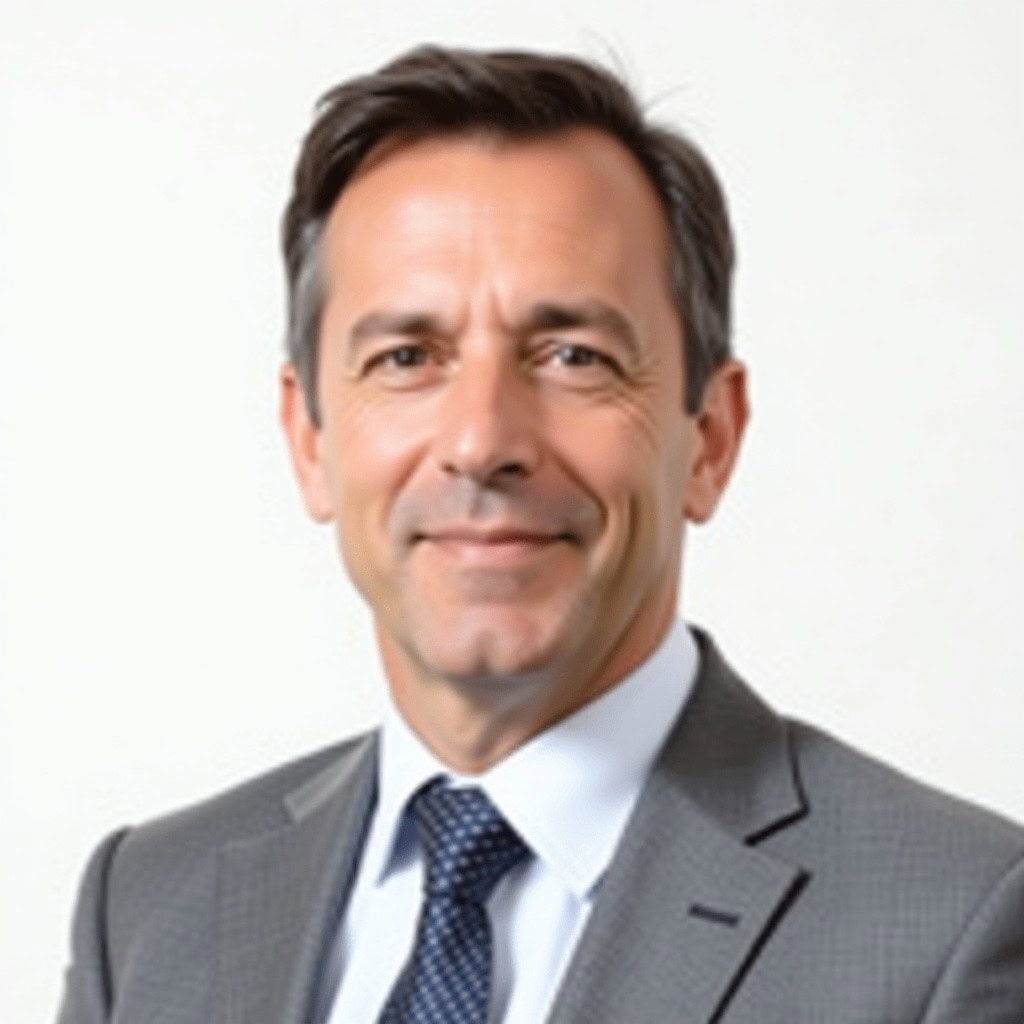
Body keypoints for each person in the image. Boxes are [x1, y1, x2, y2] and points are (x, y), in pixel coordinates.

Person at [56, 45, 1024, 1024]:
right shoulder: (144, 909)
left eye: (573, 356)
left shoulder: (956, 923)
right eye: (406, 356)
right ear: (309, 437)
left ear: (710, 439)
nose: (482, 441)